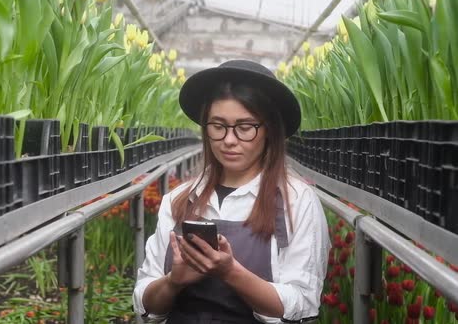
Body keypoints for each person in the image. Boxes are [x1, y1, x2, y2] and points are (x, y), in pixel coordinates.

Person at [132, 59, 331, 323]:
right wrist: (173, 281)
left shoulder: (296, 202)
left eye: (245, 127)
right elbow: (146, 304)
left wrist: (231, 272)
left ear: (269, 130)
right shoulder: (178, 200)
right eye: (218, 126)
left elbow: (302, 305)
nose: (228, 139)